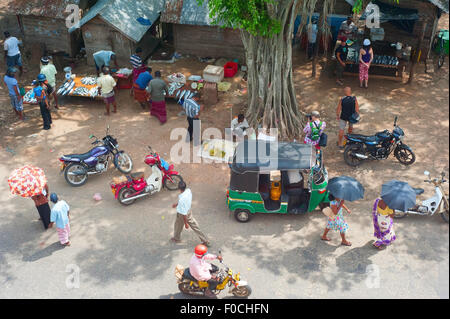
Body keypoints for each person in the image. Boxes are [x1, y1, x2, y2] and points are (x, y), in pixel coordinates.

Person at [171, 181, 210, 246]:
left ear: (179, 188)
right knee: (195, 226)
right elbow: (182, 202)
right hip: (189, 211)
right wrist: (176, 204)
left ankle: (176, 238)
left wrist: (186, 224)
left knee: (178, 226)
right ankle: (205, 240)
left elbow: (184, 214)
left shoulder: (182, 199)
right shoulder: (188, 191)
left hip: (182, 214)